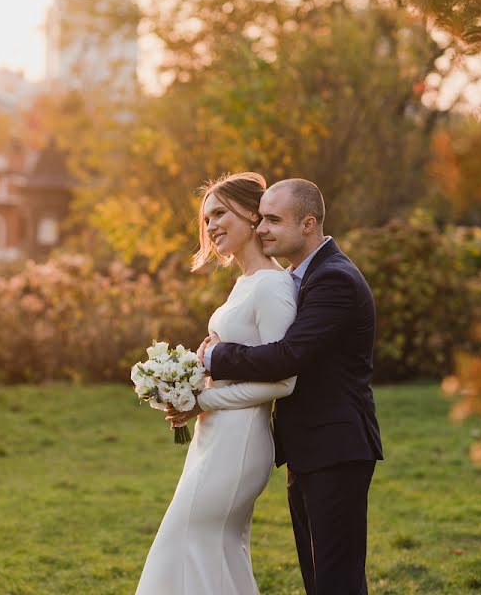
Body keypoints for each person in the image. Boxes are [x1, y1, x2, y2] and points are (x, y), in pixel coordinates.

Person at [197, 178, 384, 595]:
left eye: (273, 220)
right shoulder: (305, 276)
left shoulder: (334, 279)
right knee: (319, 578)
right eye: (260, 218)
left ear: (308, 224)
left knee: (337, 581)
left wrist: (212, 356)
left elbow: (287, 356)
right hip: (309, 446)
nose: (261, 228)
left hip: (336, 447)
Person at [136, 172, 298, 595]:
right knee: (214, 549)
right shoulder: (245, 282)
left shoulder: (273, 285)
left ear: (251, 214)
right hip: (215, 436)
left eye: (219, 214)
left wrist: (204, 398)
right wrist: (187, 384)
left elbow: (284, 382)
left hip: (240, 439)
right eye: (206, 219)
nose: (210, 227)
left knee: (186, 542)